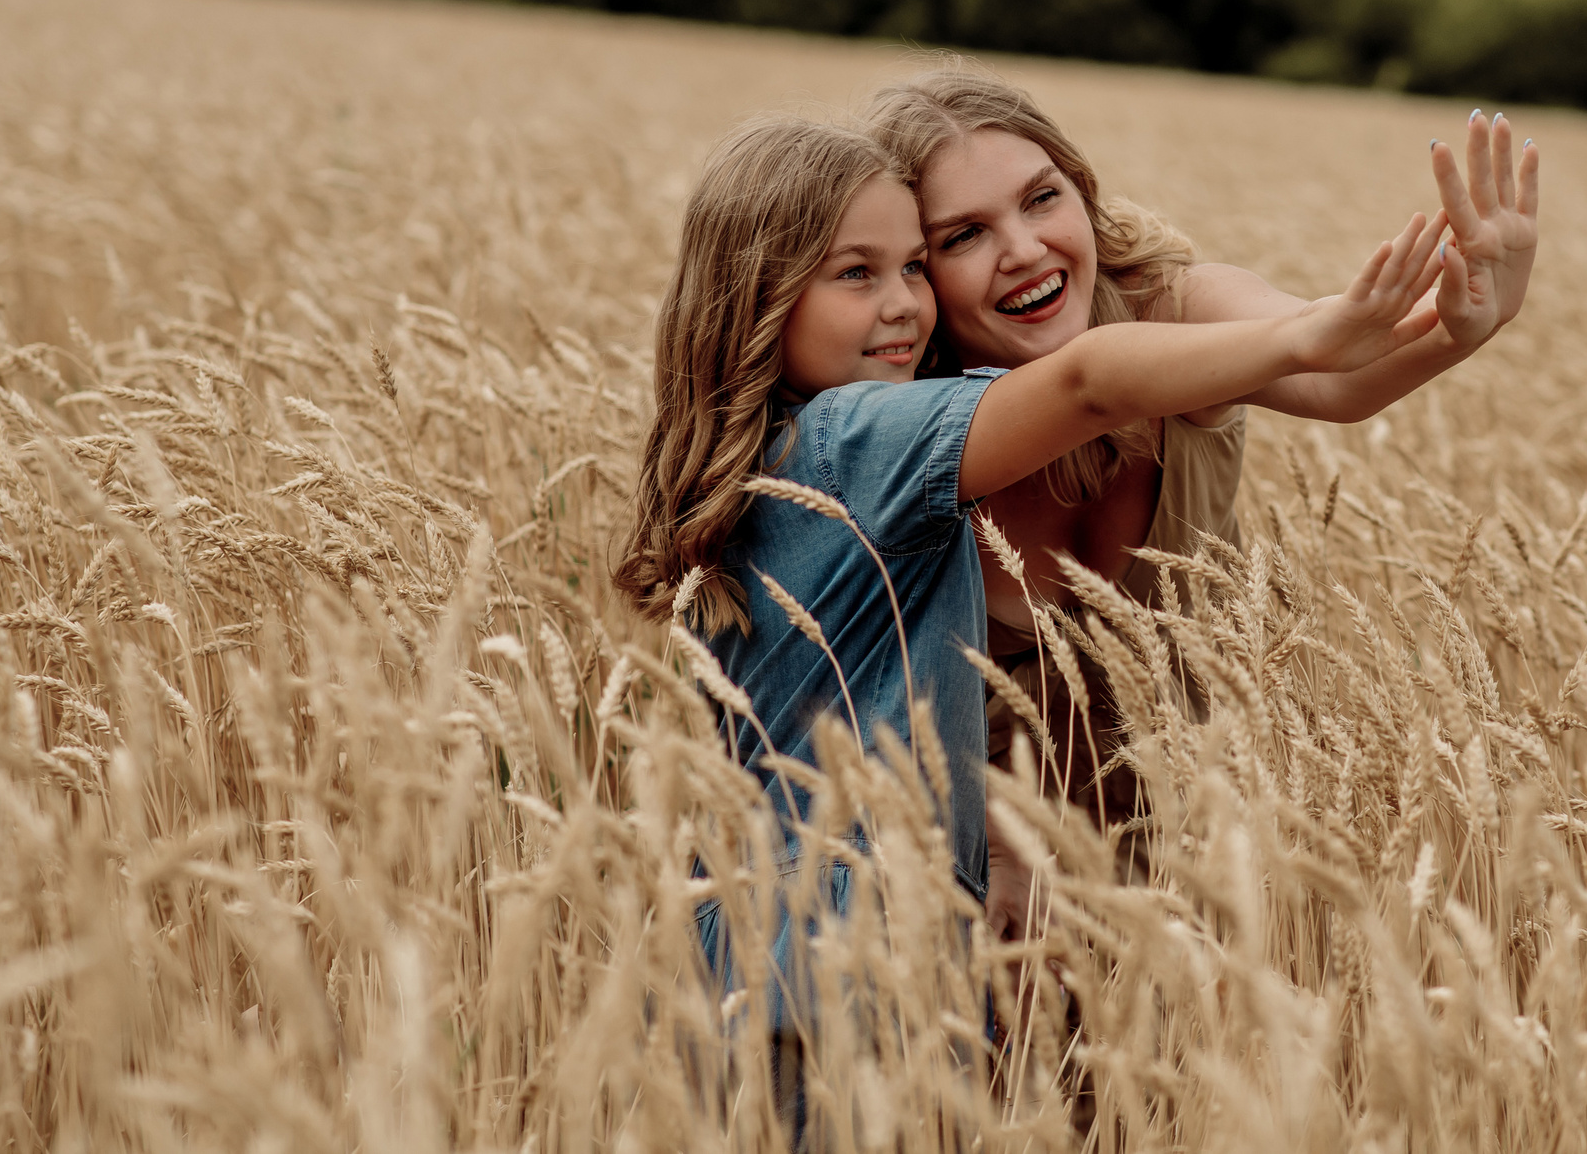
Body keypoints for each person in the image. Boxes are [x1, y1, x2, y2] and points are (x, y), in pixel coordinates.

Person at [614, 113, 1463, 1118]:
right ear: (755, 299)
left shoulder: (767, 460)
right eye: (855, 275)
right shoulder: (855, 441)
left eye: (912, 268)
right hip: (843, 971)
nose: (901, 308)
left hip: (760, 949)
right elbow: (1091, 380)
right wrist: (1303, 334)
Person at [863, 66, 1541, 935]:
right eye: (964, 235)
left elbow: (1326, 366)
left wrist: (1468, 321)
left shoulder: (1170, 301)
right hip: (950, 882)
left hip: (1187, 872)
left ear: (1084, 190)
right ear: (916, 273)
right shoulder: (900, 416)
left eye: (1042, 197)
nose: (1024, 248)